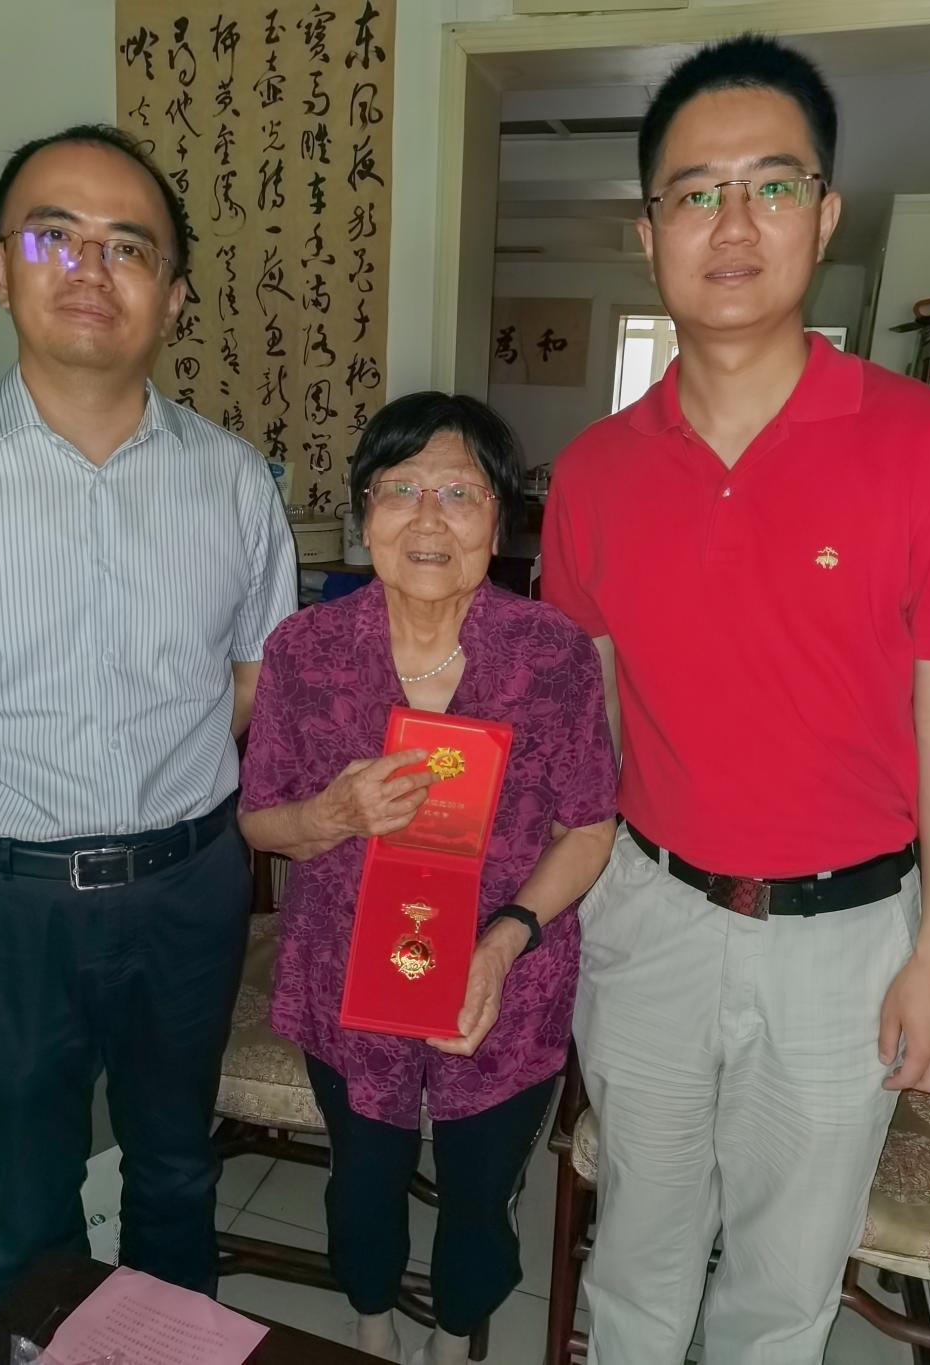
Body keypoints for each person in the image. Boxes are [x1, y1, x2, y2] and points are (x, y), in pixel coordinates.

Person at [542, 34, 930, 1365]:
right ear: (649, 230)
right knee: (636, 1257)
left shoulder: (928, 446)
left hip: (848, 943)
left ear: (824, 214)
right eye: (695, 192)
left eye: (771, 186)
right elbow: (594, 720)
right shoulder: (593, 473)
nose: (733, 225)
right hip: (651, 918)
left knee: (784, 1284)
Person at [0, 125, 297, 1303]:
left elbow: (253, 679)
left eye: (128, 246)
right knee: (27, 1194)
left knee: (178, 1171)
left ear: (173, 295)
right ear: (1, 267)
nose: (92, 268)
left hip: (184, 890)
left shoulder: (234, 481)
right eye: (56, 237)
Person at [239, 392, 617, 1365]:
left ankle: (455, 1336)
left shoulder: (551, 655)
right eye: (400, 489)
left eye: (459, 492)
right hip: (347, 980)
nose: (428, 518)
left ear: (500, 518)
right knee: (362, 1180)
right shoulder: (305, 653)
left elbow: (588, 827)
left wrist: (506, 939)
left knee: (480, 1194)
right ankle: (370, 1321)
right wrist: (331, 815)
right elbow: (259, 818)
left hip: (505, 982)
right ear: (365, 513)